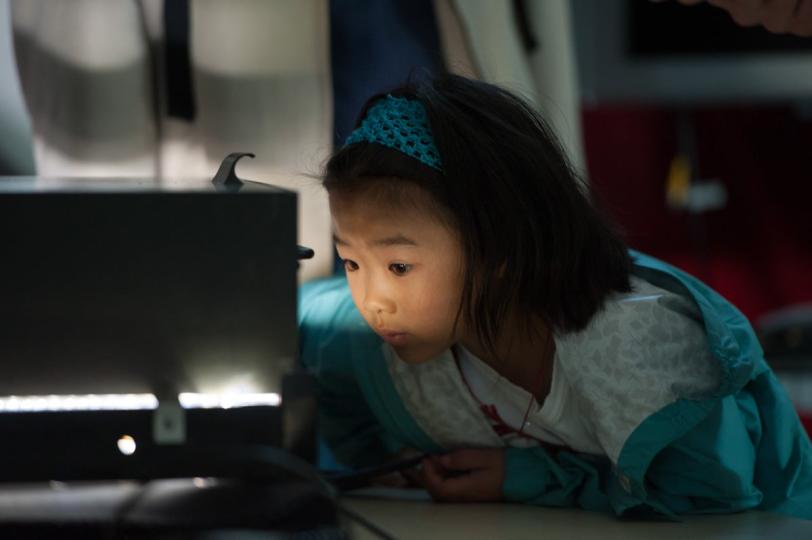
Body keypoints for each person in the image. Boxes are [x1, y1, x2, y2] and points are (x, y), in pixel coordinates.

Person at [298, 73, 812, 519]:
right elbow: (315, 330)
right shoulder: (377, 338)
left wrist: (528, 477)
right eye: (351, 262)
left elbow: (709, 496)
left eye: (399, 266)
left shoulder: (635, 345)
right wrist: (384, 465)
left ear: (498, 244)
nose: (373, 299)